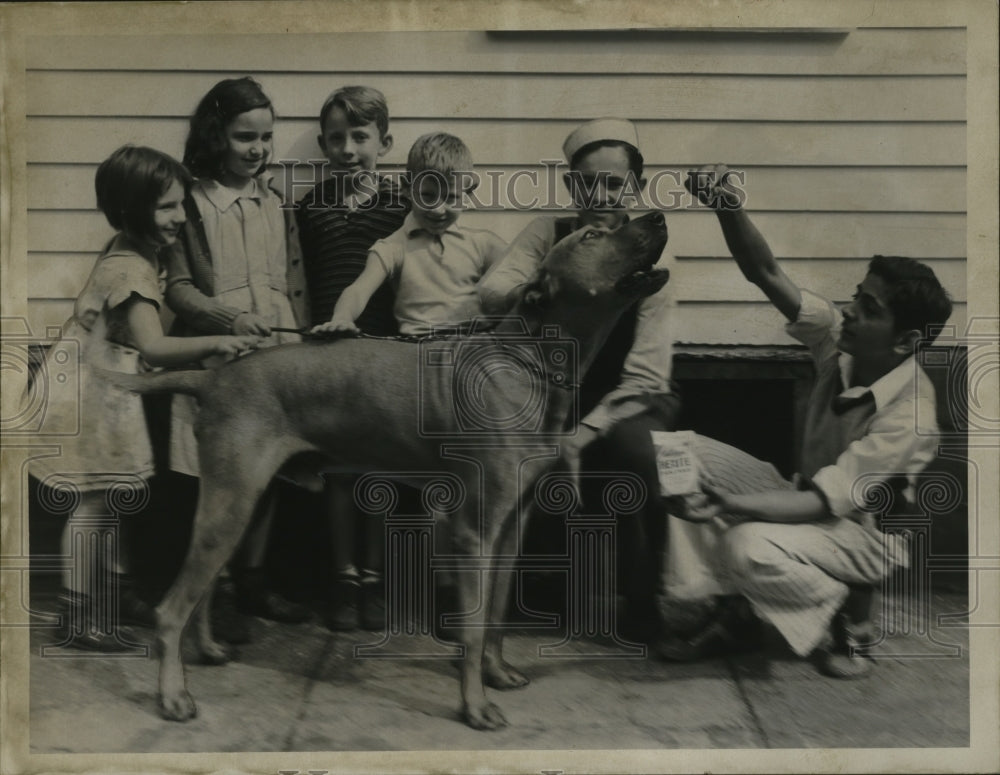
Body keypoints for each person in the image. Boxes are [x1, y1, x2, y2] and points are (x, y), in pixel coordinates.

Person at [657, 163, 953, 678]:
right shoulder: (836, 342)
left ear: (905, 341)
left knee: (743, 541)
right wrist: (727, 206)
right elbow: (765, 272)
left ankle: (848, 613)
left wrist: (730, 504)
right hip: (807, 502)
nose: (851, 310)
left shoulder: (911, 414)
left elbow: (823, 502)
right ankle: (737, 614)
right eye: (857, 295)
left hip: (863, 542)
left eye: (870, 307)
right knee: (676, 454)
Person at [28, 145, 259, 651]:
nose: (181, 216)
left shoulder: (129, 246)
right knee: (93, 503)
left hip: (102, 377)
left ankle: (109, 597)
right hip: (96, 391)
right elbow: (153, 343)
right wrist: (218, 341)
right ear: (134, 210)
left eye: (181, 204)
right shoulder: (132, 269)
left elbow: (121, 327)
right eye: (168, 207)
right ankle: (76, 616)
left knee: (110, 498)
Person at [478, 118, 680, 643]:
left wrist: (581, 434)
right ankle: (528, 585)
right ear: (572, 186)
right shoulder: (551, 233)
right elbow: (493, 290)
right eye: (587, 182)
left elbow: (646, 375)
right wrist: (547, 279)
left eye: (613, 183)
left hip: (624, 399)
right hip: (553, 389)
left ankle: (641, 596)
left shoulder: (654, 256)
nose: (600, 194)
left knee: (639, 454)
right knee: (507, 440)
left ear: (633, 188)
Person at [165, 77, 311, 630]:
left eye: (266, 138)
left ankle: (253, 580)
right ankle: (214, 593)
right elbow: (178, 289)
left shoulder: (276, 202)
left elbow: (293, 282)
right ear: (215, 136)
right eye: (243, 137)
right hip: (218, 357)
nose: (258, 149)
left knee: (272, 468)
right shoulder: (192, 205)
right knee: (222, 476)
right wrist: (228, 316)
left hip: (276, 353)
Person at [295, 86, 408, 631]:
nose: (347, 148)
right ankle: (343, 578)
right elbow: (302, 278)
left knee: (379, 469)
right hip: (327, 355)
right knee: (340, 471)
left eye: (360, 137)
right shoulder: (310, 207)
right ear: (322, 144)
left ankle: (377, 578)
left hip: (384, 354)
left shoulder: (402, 204)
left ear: (384, 142)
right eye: (336, 138)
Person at [313, 131, 506, 338]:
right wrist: (342, 318)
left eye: (451, 198)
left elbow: (523, 274)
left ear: (467, 193)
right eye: (428, 196)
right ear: (407, 188)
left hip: (473, 348)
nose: (438, 209)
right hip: (419, 351)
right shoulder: (393, 247)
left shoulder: (482, 244)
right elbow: (358, 290)